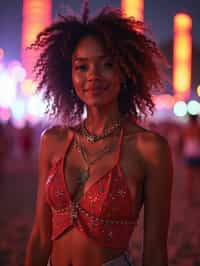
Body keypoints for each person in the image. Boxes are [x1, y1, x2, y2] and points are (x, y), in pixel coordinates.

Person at [24, 3, 173, 266]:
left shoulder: (149, 148)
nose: (93, 76)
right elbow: (39, 237)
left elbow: (154, 251)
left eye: (106, 64)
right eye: (82, 67)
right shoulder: (53, 141)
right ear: (68, 75)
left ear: (125, 72)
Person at [181, 114, 200, 204]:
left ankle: (190, 198)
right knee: (197, 176)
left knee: (189, 178)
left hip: (188, 153)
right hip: (197, 153)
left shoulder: (186, 129)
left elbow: (181, 141)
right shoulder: (198, 129)